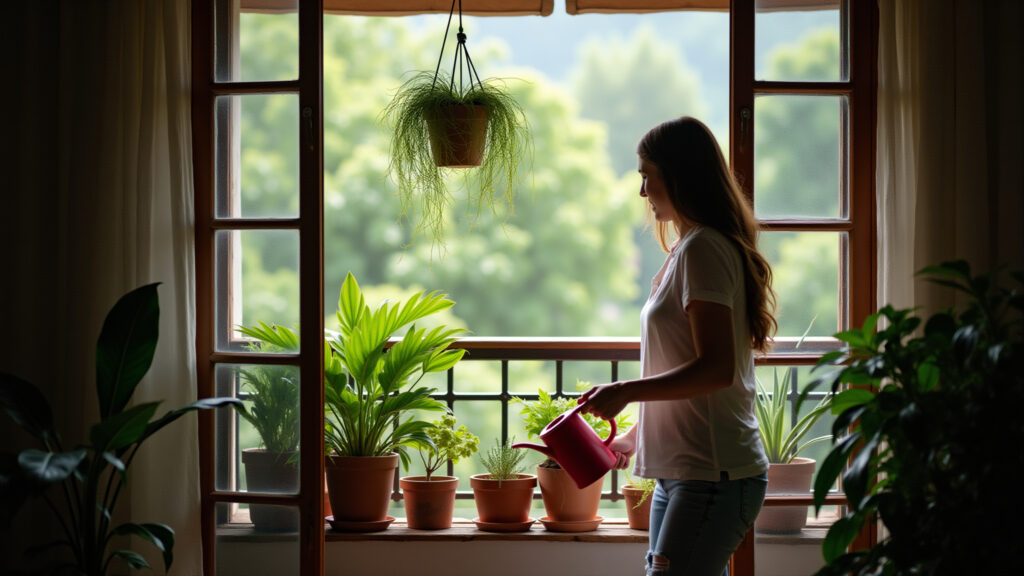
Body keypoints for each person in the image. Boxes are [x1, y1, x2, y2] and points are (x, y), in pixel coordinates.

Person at [578, 116, 777, 576]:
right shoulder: (688, 248)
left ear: (680, 175)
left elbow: (715, 369)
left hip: (714, 475)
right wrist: (638, 434)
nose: (643, 192)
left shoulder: (703, 249)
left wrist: (627, 391)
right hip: (687, 474)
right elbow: (685, 361)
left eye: (649, 175)